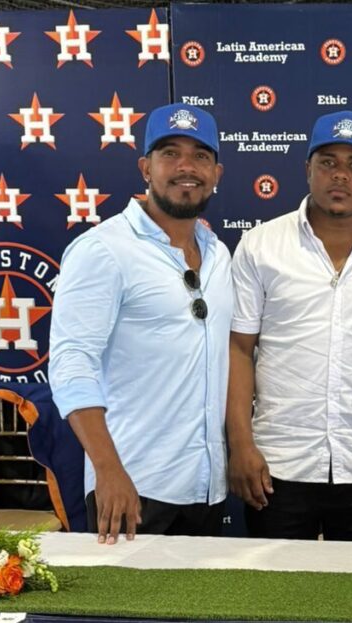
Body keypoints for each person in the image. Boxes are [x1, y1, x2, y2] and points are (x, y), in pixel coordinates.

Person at [227, 111, 352, 542]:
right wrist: (241, 445)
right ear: (307, 169)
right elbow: (239, 349)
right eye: (328, 161)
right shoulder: (261, 245)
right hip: (277, 464)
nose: (341, 176)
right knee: (275, 604)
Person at [49, 103, 231, 544]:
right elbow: (72, 363)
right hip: (131, 489)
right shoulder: (103, 250)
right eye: (170, 153)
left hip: (206, 490)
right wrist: (107, 470)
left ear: (217, 173)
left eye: (200, 156)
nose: (186, 167)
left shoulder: (219, 254)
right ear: (145, 167)